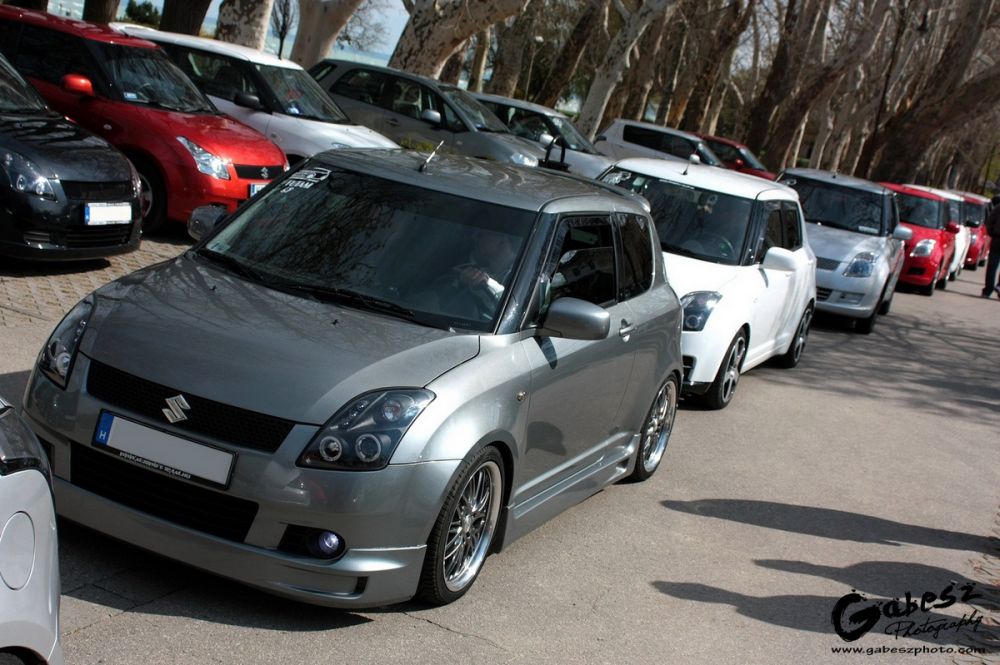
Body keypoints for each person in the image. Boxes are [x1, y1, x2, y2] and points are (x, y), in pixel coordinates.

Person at [982, 195, 1000, 298]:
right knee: (992, 266)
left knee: (992, 266)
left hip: (997, 239)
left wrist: (991, 232)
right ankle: (992, 288)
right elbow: (990, 221)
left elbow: (989, 222)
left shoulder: (998, 208)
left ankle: (988, 290)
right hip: (997, 239)